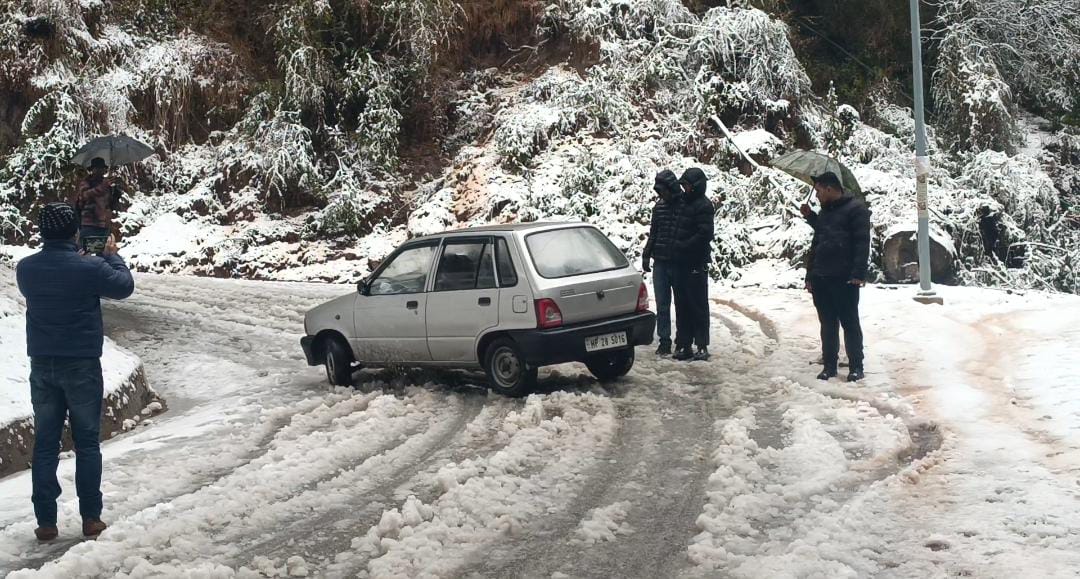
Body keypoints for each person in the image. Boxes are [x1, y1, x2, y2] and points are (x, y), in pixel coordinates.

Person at [16, 203, 135, 541]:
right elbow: (123, 287)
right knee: (86, 443)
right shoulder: (91, 267)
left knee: (44, 446)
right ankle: (91, 517)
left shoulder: (26, 269)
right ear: (75, 231)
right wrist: (111, 255)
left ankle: (46, 521)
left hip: (42, 365)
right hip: (81, 364)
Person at [800, 171, 871, 382]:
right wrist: (810, 275)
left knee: (849, 323)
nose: (817, 196)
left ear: (830, 188)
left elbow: (861, 243)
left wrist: (858, 273)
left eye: (819, 191)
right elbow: (819, 242)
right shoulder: (824, 212)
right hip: (822, 277)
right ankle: (829, 366)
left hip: (845, 277)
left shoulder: (856, 210)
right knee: (827, 323)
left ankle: (856, 366)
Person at [671, 167, 715, 362]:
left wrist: (683, 245)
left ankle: (702, 345)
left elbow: (704, 234)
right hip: (680, 262)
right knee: (682, 305)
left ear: (696, 186)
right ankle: (684, 343)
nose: (685, 189)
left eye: (687, 185)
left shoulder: (704, 206)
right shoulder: (682, 203)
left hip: (696, 263)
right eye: (683, 186)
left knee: (698, 305)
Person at [641, 170, 681, 356]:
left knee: (681, 304)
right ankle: (664, 341)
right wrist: (646, 254)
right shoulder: (659, 208)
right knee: (662, 304)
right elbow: (653, 233)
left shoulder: (684, 205)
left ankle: (682, 339)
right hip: (661, 263)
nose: (661, 195)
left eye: (664, 191)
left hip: (679, 262)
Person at [74, 157, 122, 240]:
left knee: (103, 251)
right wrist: (104, 186)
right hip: (89, 224)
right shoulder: (86, 182)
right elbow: (85, 196)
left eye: (102, 168)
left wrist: (115, 193)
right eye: (97, 168)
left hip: (104, 224)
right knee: (87, 250)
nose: (100, 171)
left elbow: (110, 204)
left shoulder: (107, 183)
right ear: (92, 169)